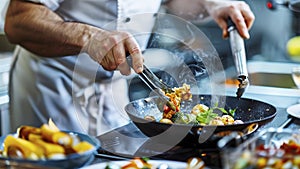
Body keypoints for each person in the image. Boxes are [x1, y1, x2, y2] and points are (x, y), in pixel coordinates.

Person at [4, 0, 255, 136]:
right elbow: (17, 20)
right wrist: (88, 37)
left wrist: (213, 4)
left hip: (113, 89)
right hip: (54, 88)